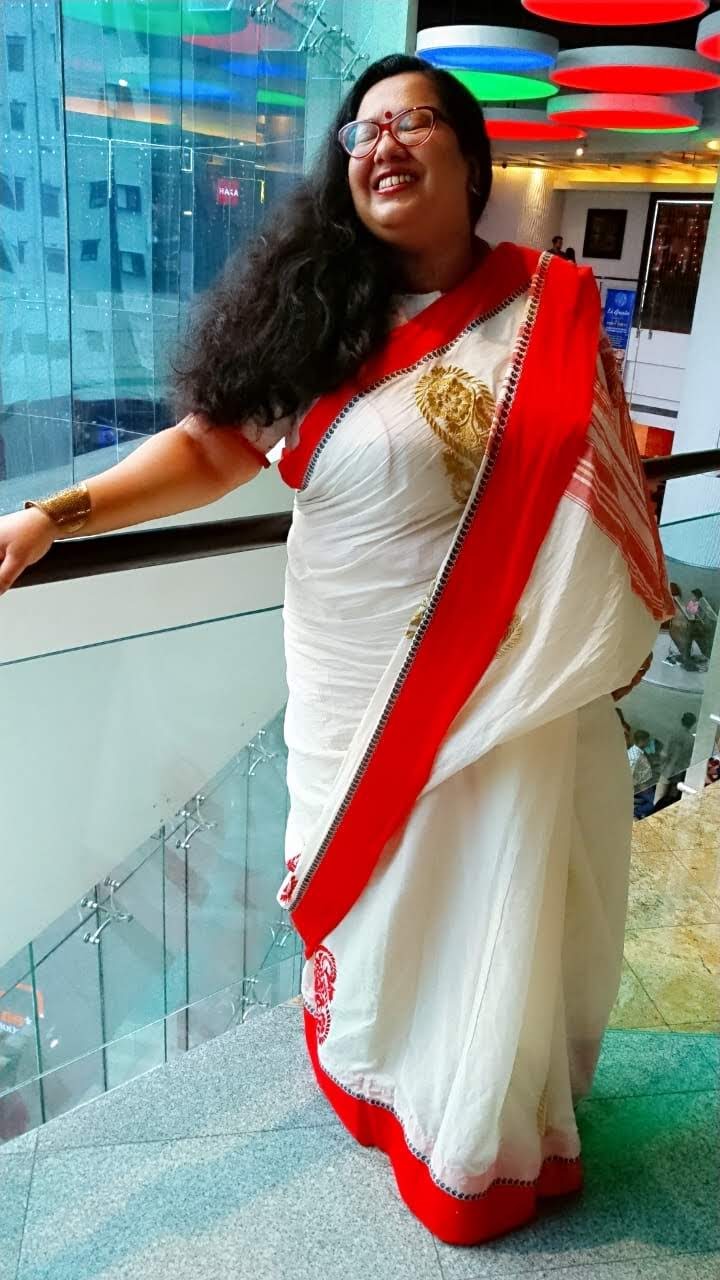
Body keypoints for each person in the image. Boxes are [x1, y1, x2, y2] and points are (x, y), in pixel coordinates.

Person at [0, 54, 673, 1246]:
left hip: (505, 692)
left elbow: (610, 498)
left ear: (472, 161)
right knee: (384, 907)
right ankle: (385, 1081)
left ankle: (478, 1140)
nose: (384, 143)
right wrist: (55, 514)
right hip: (352, 681)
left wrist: (560, 636)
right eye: (363, 130)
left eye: (416, 121)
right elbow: (212, 450)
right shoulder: (320, 316)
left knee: (489, 901)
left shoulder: (555, 311)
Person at [654, 711, 697, 807]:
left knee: (658, 798)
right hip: (679, 772)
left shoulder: (673, 733)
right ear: (692, 724)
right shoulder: (692, 739)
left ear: (682, 720)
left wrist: (661, 764)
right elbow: (689, 758)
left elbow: (664, 754)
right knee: (670, 801)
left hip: (667, 770)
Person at [628, 729, 654, 818]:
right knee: (655, 802)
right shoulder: (635, 756)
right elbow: (629, 775)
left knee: (647, 800)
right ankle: (636, 812)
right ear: (643, 741)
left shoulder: (635, 751)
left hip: (644, 784)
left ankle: (640, 807)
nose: (648, 743)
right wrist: (639, 786)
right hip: (641, 786)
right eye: (647, 741)